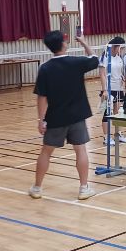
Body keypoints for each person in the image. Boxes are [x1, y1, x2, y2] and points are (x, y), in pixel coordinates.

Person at [30, 30, 99, 200]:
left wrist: (41, 120)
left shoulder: (45, 68)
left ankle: (37, 188)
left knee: (46, 152)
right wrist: (83, 42)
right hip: (77, 116)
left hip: (55, 118)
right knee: (80, 150)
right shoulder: (76, 62)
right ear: (63, 44)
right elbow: (95, 59)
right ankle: (83, 188)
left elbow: (42, 97)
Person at [98, 36, 126, 146]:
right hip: (109, 89)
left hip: (118, 88)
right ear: (115, 47)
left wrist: (122, 77)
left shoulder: (119, 57)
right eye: (121, 47)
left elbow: (119, 70)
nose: (122, 49)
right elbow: (102, 74)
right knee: (107, 113)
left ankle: (118, 134)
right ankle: (106, 137)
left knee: (118, 112)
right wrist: (104, 90)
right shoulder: (105, 56)